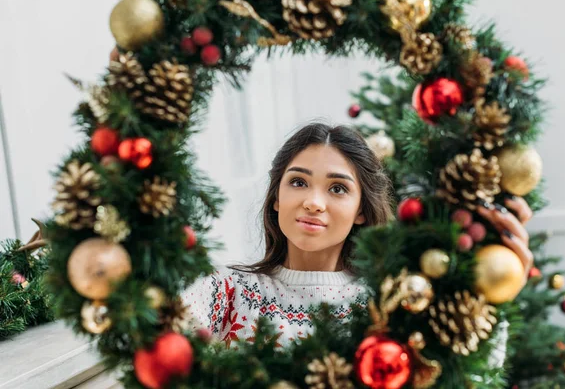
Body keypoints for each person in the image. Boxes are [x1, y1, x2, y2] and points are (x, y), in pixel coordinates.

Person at [184, 122, 533, 349]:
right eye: (298, 182)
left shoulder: (392, 302)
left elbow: (467, 374)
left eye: (337, 189)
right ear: (277, 197)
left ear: (361, 210)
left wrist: (495, 290)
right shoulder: (225, 292)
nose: (313, 202)